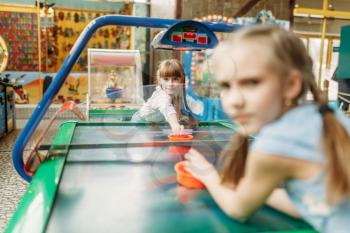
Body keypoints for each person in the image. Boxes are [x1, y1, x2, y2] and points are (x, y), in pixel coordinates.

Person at [184, 26, 350, 233]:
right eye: (226, 86)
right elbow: (310, 204)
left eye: (252, 82)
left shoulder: (275, 144)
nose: (234, 101)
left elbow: (238, 209)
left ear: (291, 85)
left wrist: (208, 175)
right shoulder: (328, 116)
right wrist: (253, 187)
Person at [131, 59, 185, 133]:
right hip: (140, 122)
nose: (170, 84)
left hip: (153, 122)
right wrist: (175, 124)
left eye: (175, 79)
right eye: (166, 79)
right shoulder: (162, 96)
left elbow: (175, 109)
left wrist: (182, 119)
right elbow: (167, 107)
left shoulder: (173, 93)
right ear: (160, 80)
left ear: (181, 80)